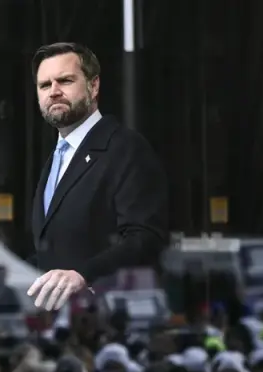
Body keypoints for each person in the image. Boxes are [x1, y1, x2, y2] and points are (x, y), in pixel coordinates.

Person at [24, 42, 169, 311]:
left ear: (93, 86)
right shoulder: (56, 158)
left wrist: (83, 274)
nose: (53, 92)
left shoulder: (125, 148)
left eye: (65, 81)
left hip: (110, 317)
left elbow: (144, 238)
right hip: (60, 324)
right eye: (44, 85)